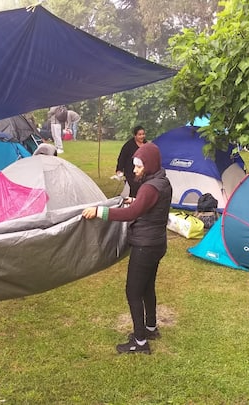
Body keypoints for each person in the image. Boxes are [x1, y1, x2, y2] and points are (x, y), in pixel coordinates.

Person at [82, 142, 172, 354]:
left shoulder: (149, 187)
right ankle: (151, 328)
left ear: (149, 165)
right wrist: (135, 200)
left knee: (133, 292)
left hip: (145, 246)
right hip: (157, 243)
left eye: (139, 166)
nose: (135, 170)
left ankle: (139, 342)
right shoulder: (162, 181)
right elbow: (148, 204)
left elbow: (132, 214)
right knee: (147, 287)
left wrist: (100, 212)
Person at [115, 125, 147, 197]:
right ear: (135, 135)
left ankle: (136, 201)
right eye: (139, 134)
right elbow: (122, 158)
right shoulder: (128, 145)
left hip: (143, 172)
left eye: (143, 134)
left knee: (142, 189)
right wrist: (119, 169)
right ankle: (133, 201)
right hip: (130, 172)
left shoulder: (146, 145)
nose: (142, 136)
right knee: (135, 188)